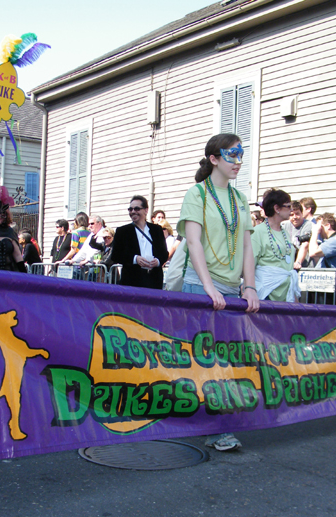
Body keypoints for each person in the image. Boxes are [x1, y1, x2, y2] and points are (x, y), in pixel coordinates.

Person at [177, 133, 258, 451]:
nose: (238, 161)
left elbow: (248, 246)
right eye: (231, 155)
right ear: (214, 159)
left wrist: (249, 286)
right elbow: (193, 243)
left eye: (241, 155)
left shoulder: (239, 199)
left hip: (232, 288)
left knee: (226, 359)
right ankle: (215, 428)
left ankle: (214, 422)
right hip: (202, 287)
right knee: (207, 360)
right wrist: (208, 288)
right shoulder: (197, 194)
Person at [112, 196, 169, 289]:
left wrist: (158, 261)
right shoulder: (122, 231)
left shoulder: (157, 230)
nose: (133, 211)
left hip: (153, 281)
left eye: (137, 209)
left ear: (146, 210)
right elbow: (115, 255)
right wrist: (135, 259)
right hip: (132, 282)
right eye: (130, 209)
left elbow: (164, 253)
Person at [252, 188, 298, 301]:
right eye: (288, 206)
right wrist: (249, 288)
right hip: (266, 292)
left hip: (285, 293)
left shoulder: (285, 232)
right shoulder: (257, 232)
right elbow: (250, 263)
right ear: (276, 208)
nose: (291, 210)